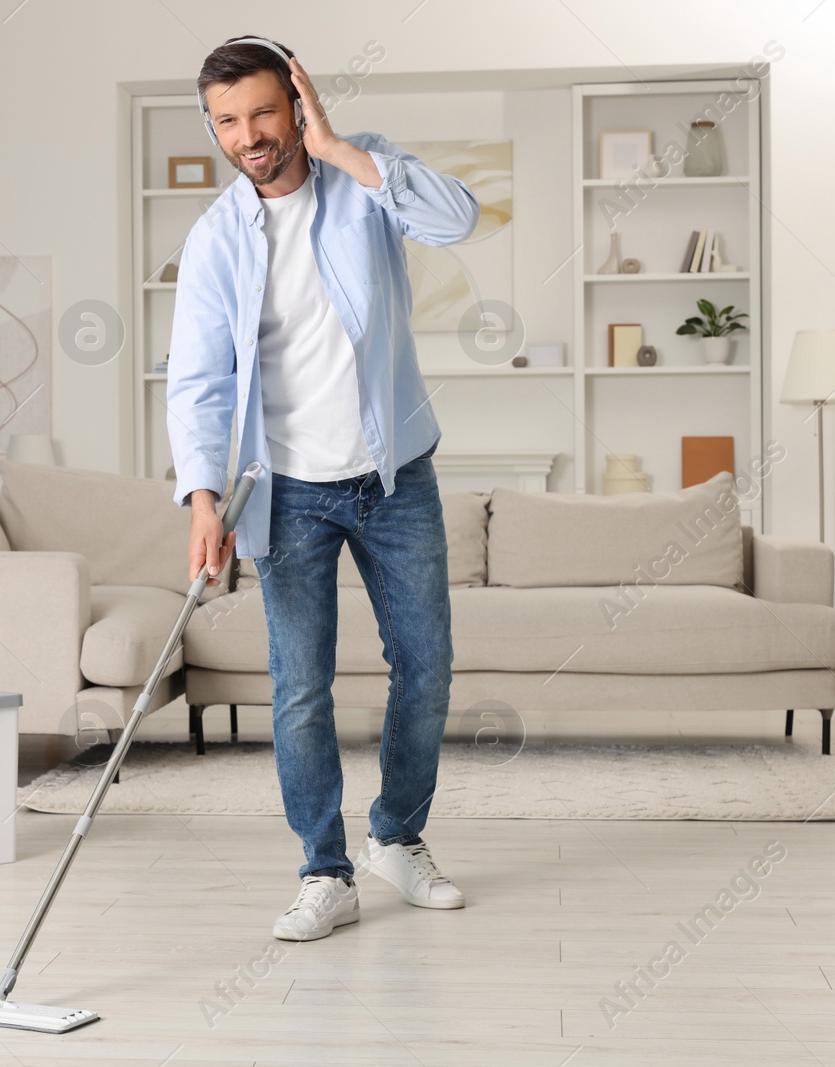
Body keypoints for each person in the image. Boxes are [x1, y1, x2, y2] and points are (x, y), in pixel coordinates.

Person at [167, 35, 481, 942]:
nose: (248, 135)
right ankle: (325, 871)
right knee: (300, 687)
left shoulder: (366, 179)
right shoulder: (216, 239)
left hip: (395, 474)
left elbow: (458, 219)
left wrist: (343, 148)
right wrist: (201, 501)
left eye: (264, 112)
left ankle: (398, 837)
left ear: (298, 103)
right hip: (286, 490)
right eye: (227, 121)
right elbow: (198, 382)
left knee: (425, 666)